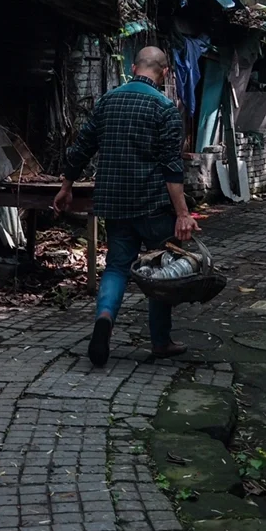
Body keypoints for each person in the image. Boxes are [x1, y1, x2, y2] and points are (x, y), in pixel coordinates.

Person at [54, 46, 199, 367]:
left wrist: (66, 186)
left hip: (115, 204)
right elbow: (172, 170)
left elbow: (82, 147)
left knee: (117, 267)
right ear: (164, 74)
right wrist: (183, 214)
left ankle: (104, 319)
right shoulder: (164, 109)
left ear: (134, 68)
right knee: (161, 271)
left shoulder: (108, 101)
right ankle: (160, 341)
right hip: (153, 207)